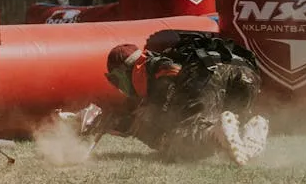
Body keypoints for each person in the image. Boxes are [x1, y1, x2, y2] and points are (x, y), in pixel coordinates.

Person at [66, 30, 269, 165]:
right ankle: (249, 129)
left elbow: (172, 72)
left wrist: (160, 108)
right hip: (246, 71)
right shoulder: (160, 60)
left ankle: (214, 131)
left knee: (184, 139)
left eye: (117, 81)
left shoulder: (151, 66)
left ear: (123, 72)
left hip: (210, 70)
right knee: (230, 122)